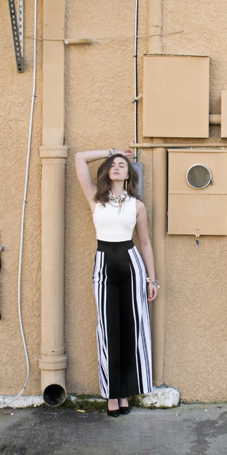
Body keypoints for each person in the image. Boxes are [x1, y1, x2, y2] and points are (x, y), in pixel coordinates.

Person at [74, 147, 158, 417]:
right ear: (108, 171)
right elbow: (78, 158)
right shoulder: (95, 198)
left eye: (122, 164)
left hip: (131, 263)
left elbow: (145, 243)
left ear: (128, 174)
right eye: (113, 164)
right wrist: (111, 150)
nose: (118, 166)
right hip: (104, 263)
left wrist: (151, 279)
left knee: (132, 328)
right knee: (108, 329)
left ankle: (127, 392)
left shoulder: (137, 205)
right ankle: (112, 395)